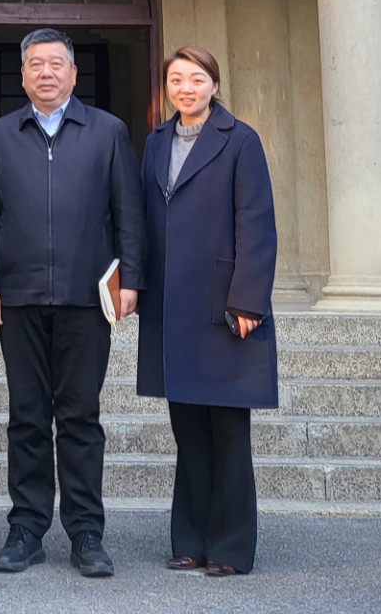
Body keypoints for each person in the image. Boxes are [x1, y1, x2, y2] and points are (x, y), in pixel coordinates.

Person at [0, 27, 143, 578]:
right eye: (36, 65)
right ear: (22, 75)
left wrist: (131, 280)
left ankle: (86, 531)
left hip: (84, 298)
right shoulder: (0, 135)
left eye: (56, 64)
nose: (46, 73)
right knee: (26, 416)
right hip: (17, 298)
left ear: (73, 73)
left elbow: (128, 214)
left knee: (79, 417)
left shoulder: (107, 131)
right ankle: (26, 528)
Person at [135, 46, 278, 577]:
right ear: (166, 88)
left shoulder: (240, 140)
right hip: (172, 304)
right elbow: (142, 216)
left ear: (214, 85)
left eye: (197, 79)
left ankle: (232, 547)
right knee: (188, 427)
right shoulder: (154, 143)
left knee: (228, 431)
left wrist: (247, 297)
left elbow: (257, 222)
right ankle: (189, 539)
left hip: (223, 305)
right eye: (176, 79)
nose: (186, 88)